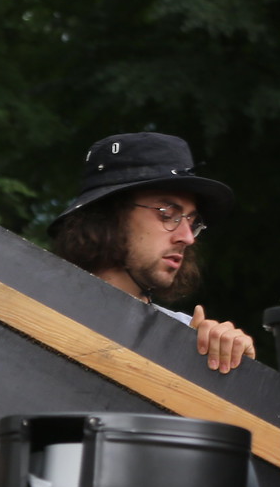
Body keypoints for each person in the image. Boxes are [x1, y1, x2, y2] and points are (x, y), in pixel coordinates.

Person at [49, 131, 257, 374]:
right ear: (108, 216)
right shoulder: (36, 302)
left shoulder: (188, 339)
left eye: (192, 222)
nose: (187, 237)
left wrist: (236, 368)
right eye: (167, 214)